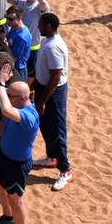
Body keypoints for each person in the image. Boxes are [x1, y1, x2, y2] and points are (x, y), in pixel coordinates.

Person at [0, 64, 40, 224]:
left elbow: (6, 110)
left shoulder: (28, 116)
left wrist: (1, 84)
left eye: (10, 96)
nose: (6, 99)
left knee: (16, 200)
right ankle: (8, 218)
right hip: (4, 155)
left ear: (23, 98)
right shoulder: (15, 106)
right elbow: (3, 116)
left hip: (17, 163)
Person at [33, 12, 71, 190]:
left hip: (52, 92)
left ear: (48, 26)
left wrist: (43, 100)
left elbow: (55, 77)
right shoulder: (47, 40)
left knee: (57, 129)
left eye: (40, 23)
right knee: (45, 125)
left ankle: (65, 170)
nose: (38, 26)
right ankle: (52, 157)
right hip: (44, 88)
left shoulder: (54, 46)